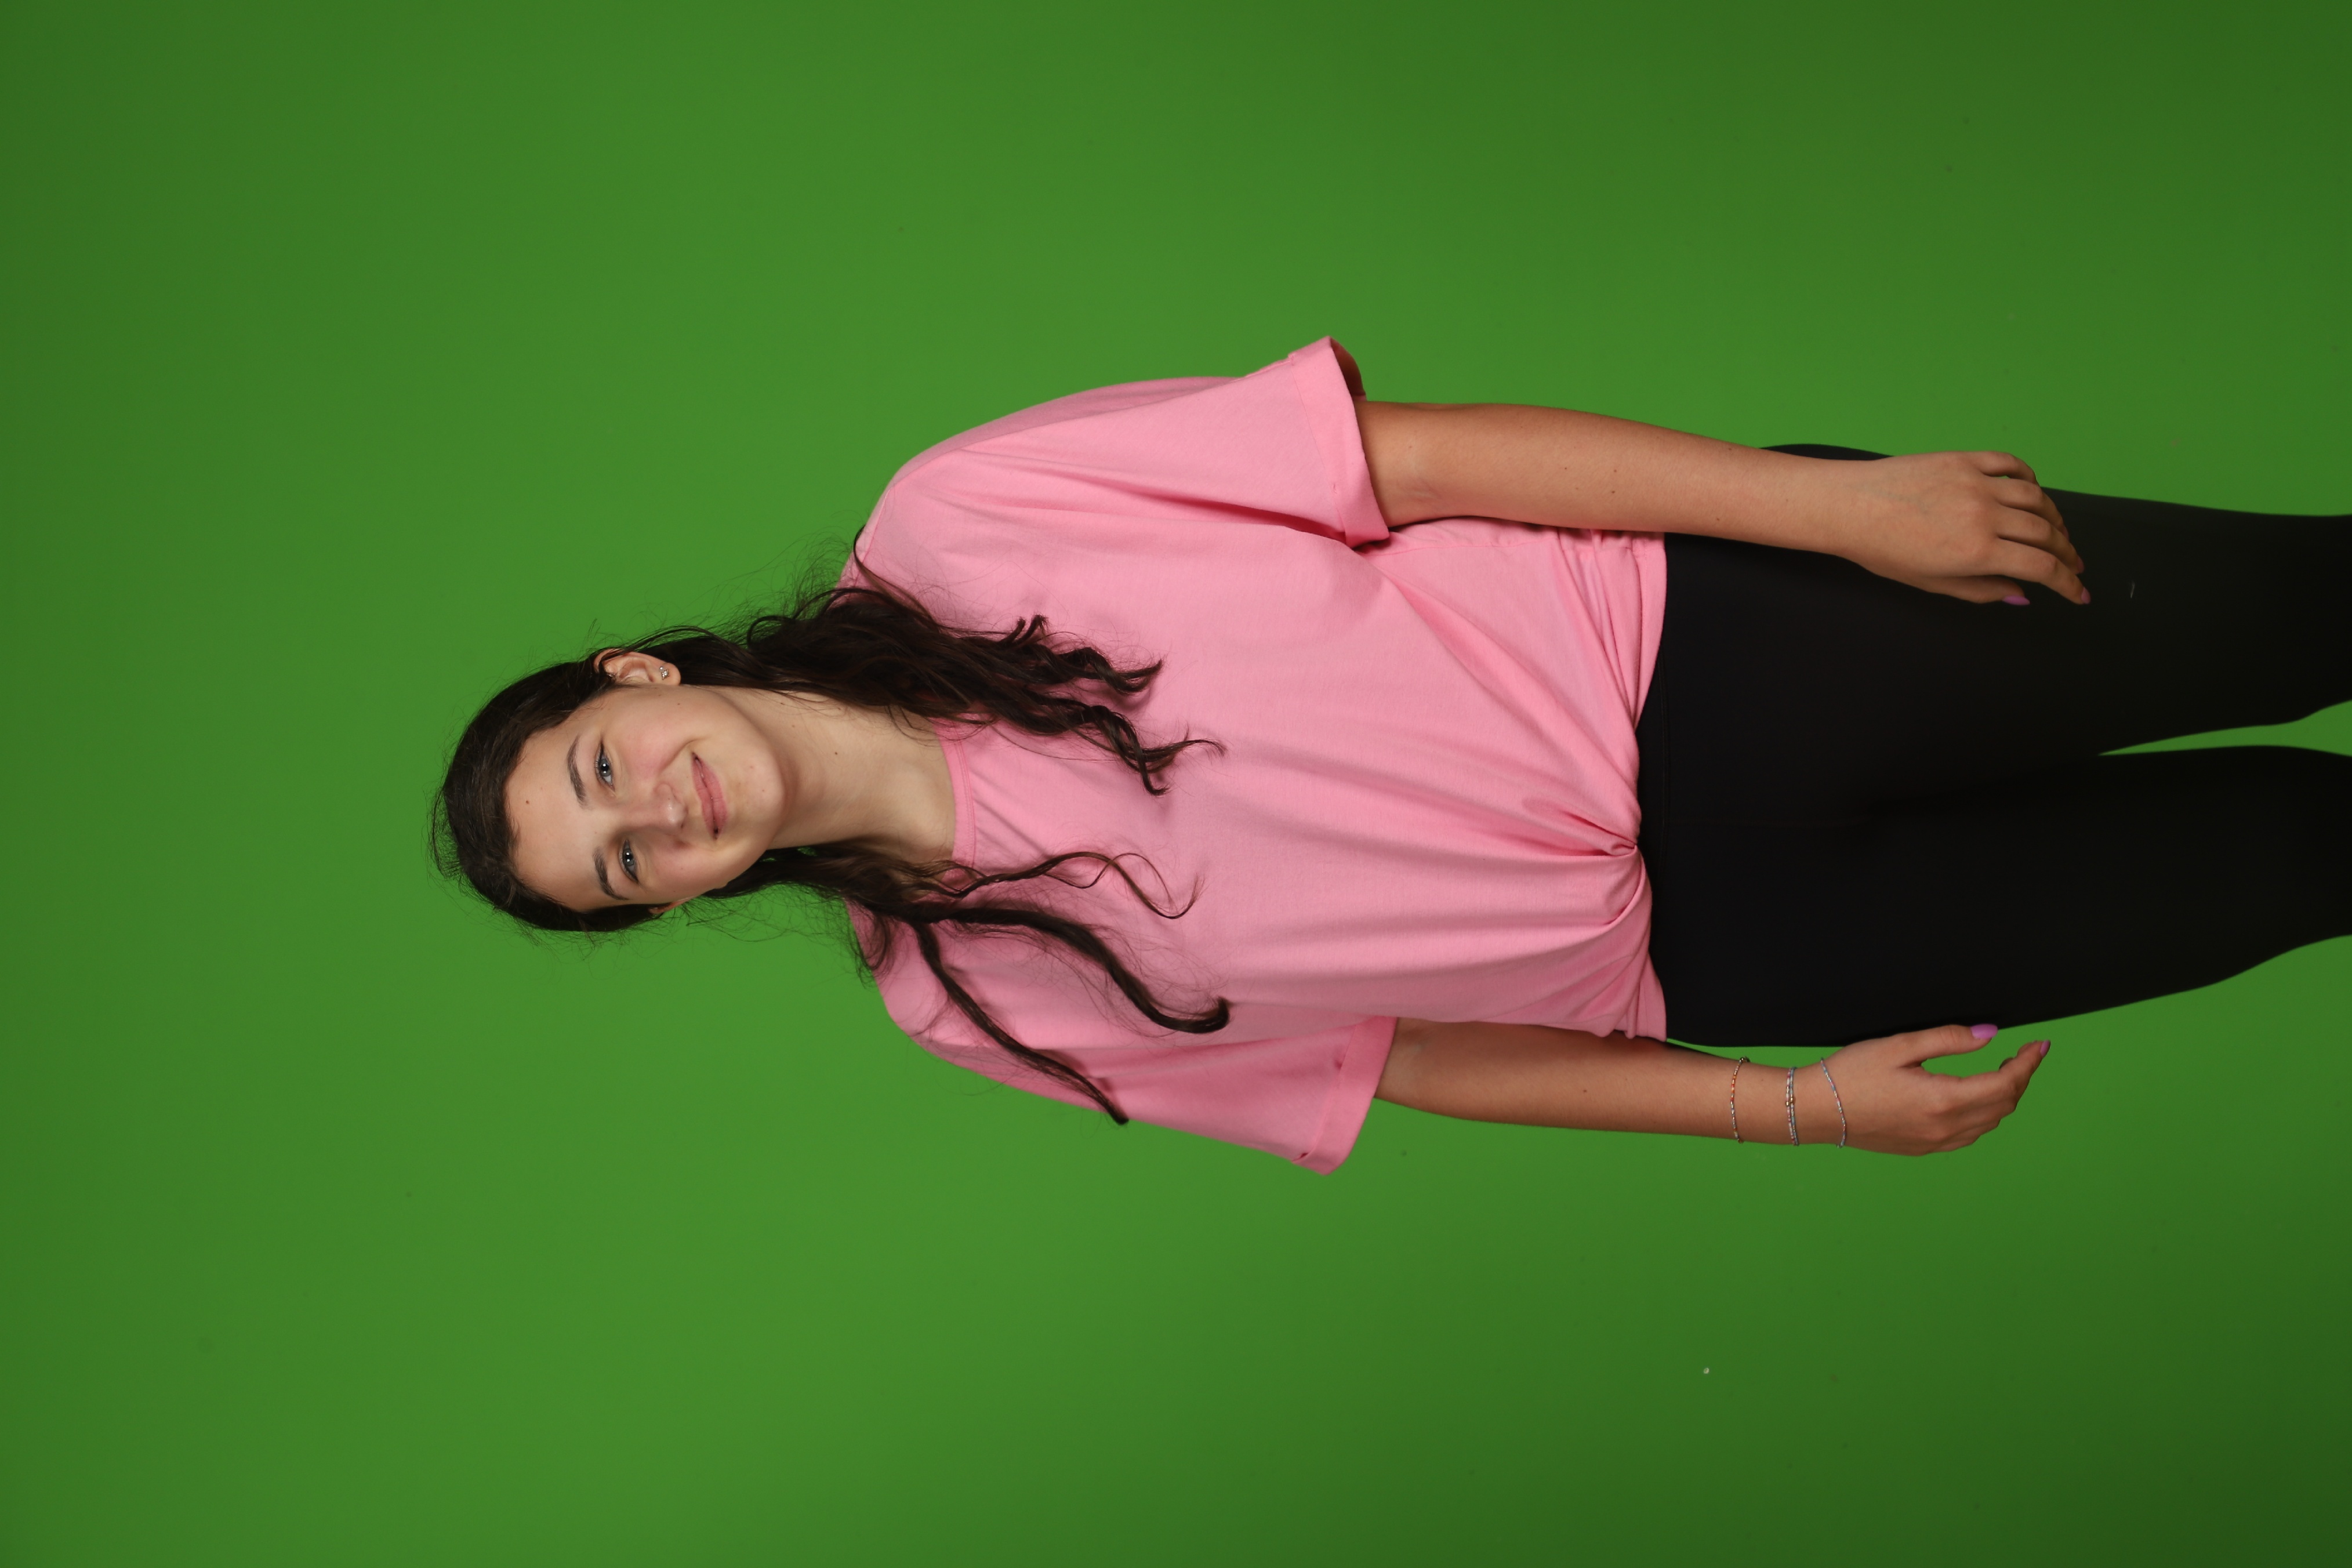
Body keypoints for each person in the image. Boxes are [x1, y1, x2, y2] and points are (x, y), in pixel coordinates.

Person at [434, 340, 2351, 1171]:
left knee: (2307, 610)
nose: (657, 814)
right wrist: (1791, 1113)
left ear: (634, 678)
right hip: (1743, 947)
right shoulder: (966, 1000)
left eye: (604, 771)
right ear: (676, 901)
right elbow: (1403, 1062)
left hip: (1720, 646)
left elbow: (1412, 462)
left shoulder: (961, 517)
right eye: (624, 867)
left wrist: (1828, 509)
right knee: (2307, 865)